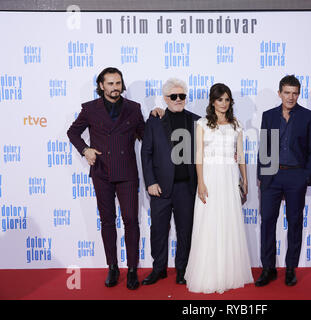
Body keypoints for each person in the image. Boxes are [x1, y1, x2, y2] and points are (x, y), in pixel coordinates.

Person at [67, 67, 145, 290]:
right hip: (101, 171)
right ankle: (112, 267)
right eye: (110, 83)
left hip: (127, 172)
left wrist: (158, 116)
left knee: (131, 220)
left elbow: (145, 134)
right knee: (107, 221)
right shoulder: (90, 109)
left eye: (118, 83)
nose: (115, 88)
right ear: (101, 86)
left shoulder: (133, 108)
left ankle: (132, 269)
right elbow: (73, 132)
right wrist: (85, 150)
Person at [184, 83, 253, 294]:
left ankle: (229, 272)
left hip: (230, 176)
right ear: (212, 101)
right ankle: (209, 272)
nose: (224, 103)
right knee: (209, 222)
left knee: (229, 222)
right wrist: (201, 182)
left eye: (227, 99)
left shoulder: (236, 124)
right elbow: (198, 156)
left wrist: (245, 178)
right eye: (220, 99)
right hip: (211, 178)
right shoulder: (202, 124)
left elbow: (240, 155)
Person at [256, 75, 311, 287]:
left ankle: (291, 268)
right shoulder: (269, 116)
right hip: (271, 177)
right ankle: (268, 269)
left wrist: (305, 175)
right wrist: (261, 175)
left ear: (299, 94)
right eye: (286, 92)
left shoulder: (309, 117)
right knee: (267, 222)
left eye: (294, 93)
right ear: (279, 93)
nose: (290, 97)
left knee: (294, 223)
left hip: (296, 176)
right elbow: (264, 147)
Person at [141, 78, 200, 285]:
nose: (177, 99)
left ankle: (183, 269)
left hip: (187, 187)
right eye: (173, 96)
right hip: (160, 187)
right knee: (158, 230)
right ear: (165, 98)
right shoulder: (154, 121)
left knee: (186, 231)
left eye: (181, 96)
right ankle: (159, 269)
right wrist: (150, 181)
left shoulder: (197, 121)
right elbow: (146, 154)